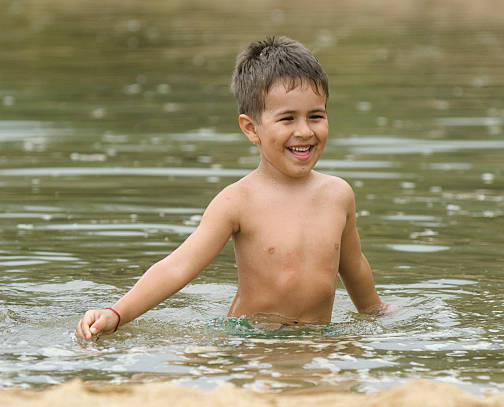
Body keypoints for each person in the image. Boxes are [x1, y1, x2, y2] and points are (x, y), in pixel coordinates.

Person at [75, 36, 387, 340]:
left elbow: (354, 266)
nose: (304, 131)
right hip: (251, 339)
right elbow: (179, 266)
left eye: (316, 116)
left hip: (319, 336)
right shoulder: (237, 201)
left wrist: (380, 317)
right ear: (252, 128)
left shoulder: (338, 194)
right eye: (287, 118)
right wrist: (117, 314)